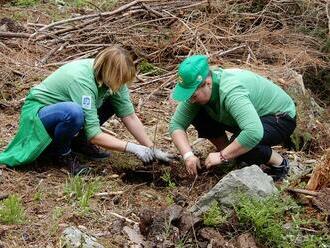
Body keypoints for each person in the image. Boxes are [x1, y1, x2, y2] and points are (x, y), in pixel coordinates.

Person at [0, 45, 174, 175]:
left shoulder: (112, 79)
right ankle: (62, 154)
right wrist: (133, 148)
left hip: (67, 111)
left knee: (109, 103)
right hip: (40, 114)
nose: (121, 85)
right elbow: (95, 134)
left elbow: (129, 115)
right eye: (120, 80)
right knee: (73, 112)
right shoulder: (81, 80)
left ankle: (79, 143)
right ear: (111, 73)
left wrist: (151, 148)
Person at [169, 55, 296, 181]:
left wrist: (222, 156)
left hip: (279, 117)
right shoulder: (197, 93)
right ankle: (230, 155)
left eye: (193, 95)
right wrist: (188, 155)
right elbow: (176, 124)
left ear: (207, 83)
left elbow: (253, 133)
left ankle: (279, 163)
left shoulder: (231, 90)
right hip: (249, 119)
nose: (190, 100)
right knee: (199, 114)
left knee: (243, 145)